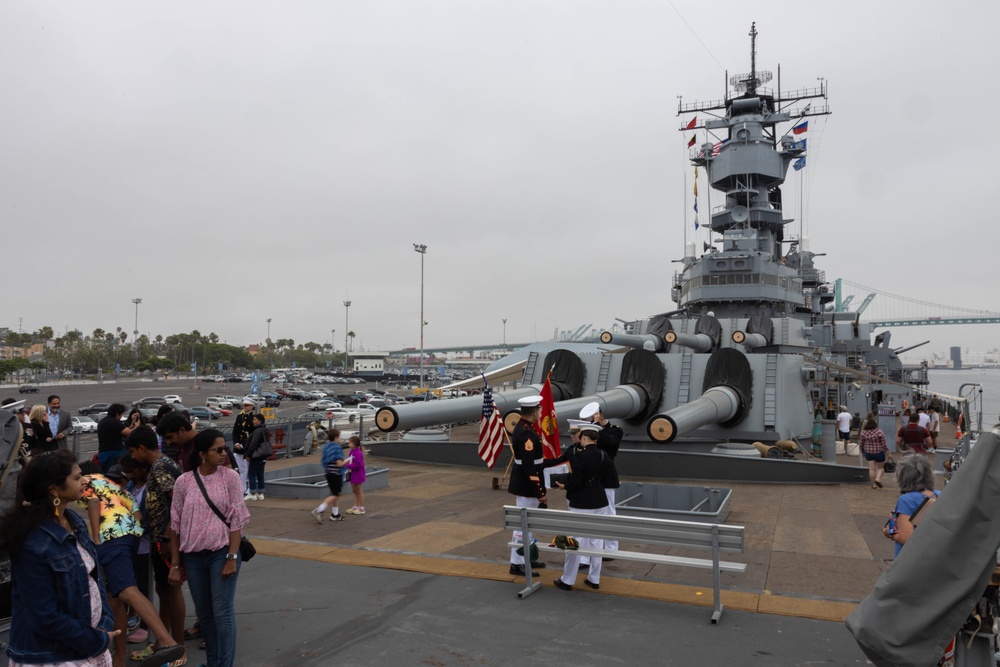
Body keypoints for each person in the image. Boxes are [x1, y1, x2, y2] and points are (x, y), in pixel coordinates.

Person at [0, 450, 117, 666]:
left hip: (87, 649)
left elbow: (94, 579)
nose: (84, 481)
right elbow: (44, 616)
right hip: (53, 657)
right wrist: (95, 638)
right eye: (76, 477)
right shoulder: (34, 542)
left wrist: (105, 624)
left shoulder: (74, 522)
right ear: (54, 488)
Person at [77, 463, 185, 667]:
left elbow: (92, 502)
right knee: (115, 599)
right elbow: (138, 514)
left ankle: (165, 640)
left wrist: (97, 537)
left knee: (127, 591)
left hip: (111, 538)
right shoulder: (112, 485)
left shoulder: (86, 480)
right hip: (131, 537)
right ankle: (119, 659)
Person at [169, 429, 250, 667]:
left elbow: (236, 520)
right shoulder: (184, 481)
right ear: (203, 454)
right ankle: (213, 662)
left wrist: (231, 557)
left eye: (224, 448)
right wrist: (175, 564)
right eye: (218, 449)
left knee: (222, 613)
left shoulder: (230, 478)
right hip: (193, 557)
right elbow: (175, 525)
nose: (224, 453)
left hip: (221, 553)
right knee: (204, 615)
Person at [124, 425, 186, 649]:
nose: (133, 457)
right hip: (161, 536)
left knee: (171, 591)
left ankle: (176, 645)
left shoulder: (159, 468)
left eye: (133, 451)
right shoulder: (166, 463)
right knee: (163, 589)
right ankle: (165, 641)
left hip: (165, 538)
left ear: (142, 448)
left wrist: (170, 538)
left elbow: (178, 501)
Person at [552, 422, 611, 592]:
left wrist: (565, 486)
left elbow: (576, 482)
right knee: (597, 541)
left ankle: (568, 579)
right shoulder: (603, 455)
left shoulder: (579, 457)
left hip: (581, 502)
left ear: (584, 437)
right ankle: (594, 578)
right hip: (600, 501)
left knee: (573, 542)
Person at [507, 395, 549, 577]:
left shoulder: (524, 428)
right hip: (527, 486)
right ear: (534, 412)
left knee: (528, 525)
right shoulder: (526, 434)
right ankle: (517, 563)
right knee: (522, 525)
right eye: (539, 410)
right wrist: (539, 492)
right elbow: (529, 466)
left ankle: (528, 557)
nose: (541, 412)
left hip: (525, 484)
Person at [580, 401, 622, 555]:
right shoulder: (589, 430)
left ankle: (611, 549)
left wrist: (598, 427)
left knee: (609, 513)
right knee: (591, 512)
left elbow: (611, 444)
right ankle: (592, 548)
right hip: (591, 477)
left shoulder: (614, 431)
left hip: (607, 476)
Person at [310, 429, 347, 522]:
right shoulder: (337, 448)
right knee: (335, 494)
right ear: (336, 437)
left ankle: (335, 514)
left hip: (328, 473)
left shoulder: (327, 447)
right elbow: (339, 464)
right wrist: (348, 461)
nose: (340, 438)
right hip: (336, 474)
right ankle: (319, 510)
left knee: (335, 493)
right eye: (339, 436)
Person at [97, 404, 140, 474]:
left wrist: (131, 427)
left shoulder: (102, 421)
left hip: (103, 452)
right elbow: (130, 433)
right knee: (115, 474)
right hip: (114, 453)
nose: (121, 417)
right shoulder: (114, 422)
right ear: (117, 413)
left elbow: (120, 431)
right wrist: (137, 426)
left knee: (105, 474)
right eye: (121, 415)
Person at [242, 413, 272, 501]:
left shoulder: (258, 431)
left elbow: (253, 443)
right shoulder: (265, 430)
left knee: (251, 474)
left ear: (260, 421)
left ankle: (252, 493)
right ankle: (260, 493)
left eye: (255, 419)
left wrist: (248, 454)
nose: (253, 421)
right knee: (260, 474)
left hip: (256, 455)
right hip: (263, 455)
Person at [859, 416, 890, 489]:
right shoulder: (879, 432)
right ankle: (877, 479)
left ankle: (873, 484)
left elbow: (861, 444)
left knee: (871, 469)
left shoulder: (864, 433)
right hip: (879, 452)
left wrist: (863, 452)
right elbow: (884, 443)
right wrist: (888, 452)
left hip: (869, 453)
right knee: (881, 468)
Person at [231, 400, 255, 494]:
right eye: (244, 405)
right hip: (238, 449)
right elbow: (235, 431)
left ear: (252, 406)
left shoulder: (253, 418)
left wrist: (242, 445)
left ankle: (249, 489)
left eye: (247, 405)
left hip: (247, 448)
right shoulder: (239, 417)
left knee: (248, 470)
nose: (244, 407)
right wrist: (236, 443)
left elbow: (252, 435)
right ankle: (242, 489)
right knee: (240, 470)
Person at [344, 435, 366, 514]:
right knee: (354, 490)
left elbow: (359, 465)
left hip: (358, 473)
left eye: (350, 443)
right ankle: (355, 506)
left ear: (354, 444)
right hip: (353, 473)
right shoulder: (352, 451)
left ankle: (361, 507)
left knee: (359, 491)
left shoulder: (358, 453)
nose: (348, 445)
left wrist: (348, 465)